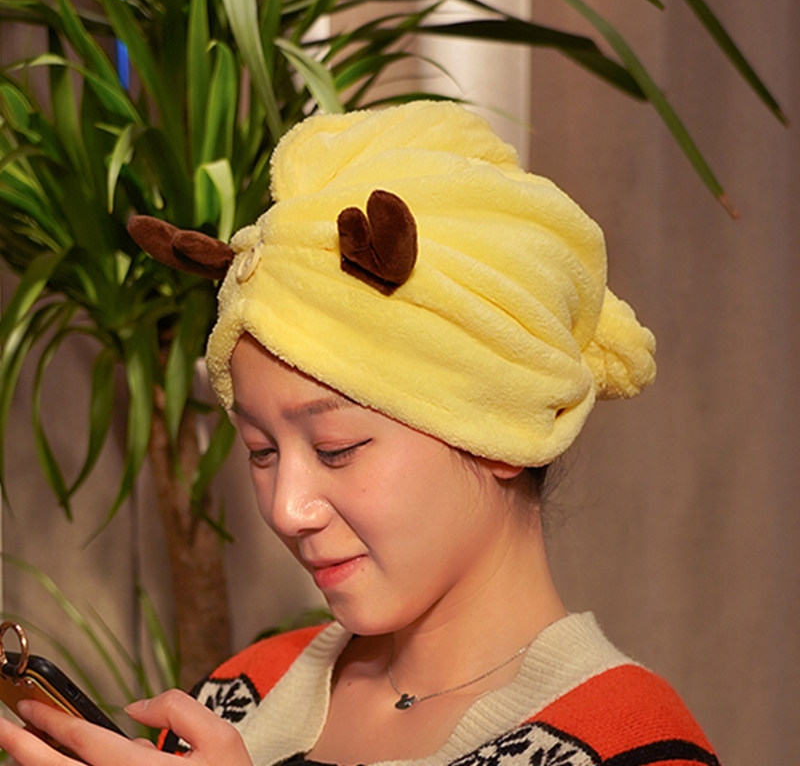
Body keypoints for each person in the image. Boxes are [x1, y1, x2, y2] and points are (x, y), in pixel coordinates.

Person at [0, 101, 720, 766]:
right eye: (260, 450)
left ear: (501, 431)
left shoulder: (634, 745)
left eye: (336, 449)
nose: (287, 509)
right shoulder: (238, 694)